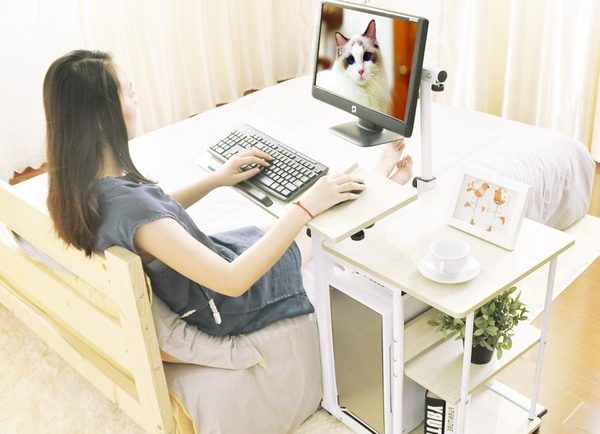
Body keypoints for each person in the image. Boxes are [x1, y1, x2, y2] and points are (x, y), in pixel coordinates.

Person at [43, 49, 412, 343]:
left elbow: (154, 217)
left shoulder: (87, 189)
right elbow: (234, 281)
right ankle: (378, 183)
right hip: (232, 299)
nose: (137, 101)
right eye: (130, 92)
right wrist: (304, 207)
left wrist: (217, 180)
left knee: (281, 223)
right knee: (314, 223)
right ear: (98, 117)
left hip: (206, 270)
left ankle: (366, 185)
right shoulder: (130, 209)